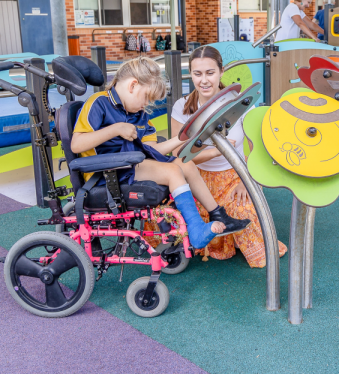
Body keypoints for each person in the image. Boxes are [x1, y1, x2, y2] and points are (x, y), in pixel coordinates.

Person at [70, 56, 250, 249]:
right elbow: (76, 145)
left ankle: (218, 214)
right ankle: (196, 230)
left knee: (185, 163)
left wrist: (183, 140)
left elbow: (151, 150)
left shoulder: (139, 115)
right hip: (106, 174)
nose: (145, 104)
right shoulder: (99, 103)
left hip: (131, 166)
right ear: (132, 86)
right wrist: (115, 129)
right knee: (172, 172)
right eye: (146, 97)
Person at [170, 46, 287, 268]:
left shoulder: (240, 103)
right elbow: (179, 157)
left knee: (244, 215)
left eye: (210, 73)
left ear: (221, 71)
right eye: (197, 74)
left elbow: (259, 147)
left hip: (236, 175)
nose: (204, 80)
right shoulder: (182, 107)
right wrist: (215, 151)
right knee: (172, 221)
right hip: (198, 179)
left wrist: (249, 180)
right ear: (191, 74)